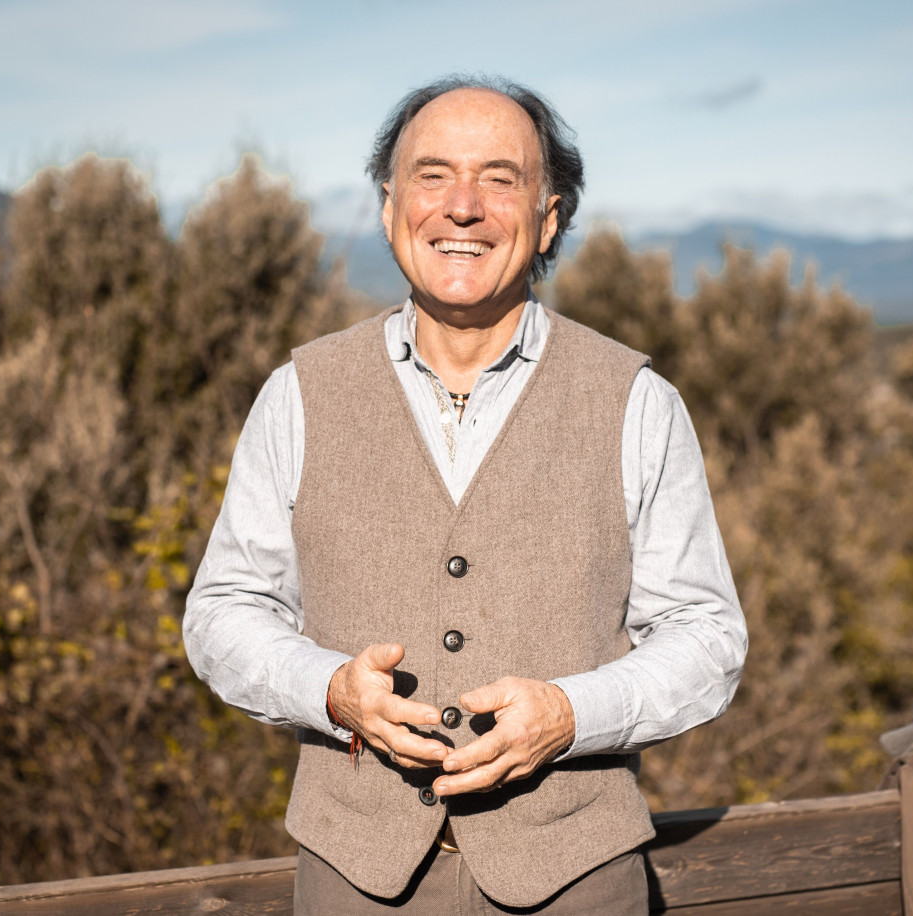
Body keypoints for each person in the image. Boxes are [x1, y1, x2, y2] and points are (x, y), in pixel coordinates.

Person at [183, 75, 746, 914]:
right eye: (432, 174)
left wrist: (570, 713)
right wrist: (330, 690)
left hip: (577, 882)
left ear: (549, 217)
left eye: (500, 178)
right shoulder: (300, 393)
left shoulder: (635, 401)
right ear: (388, 204)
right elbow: (223, 610)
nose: (462, 207)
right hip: (353, 880)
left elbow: (707, 638)